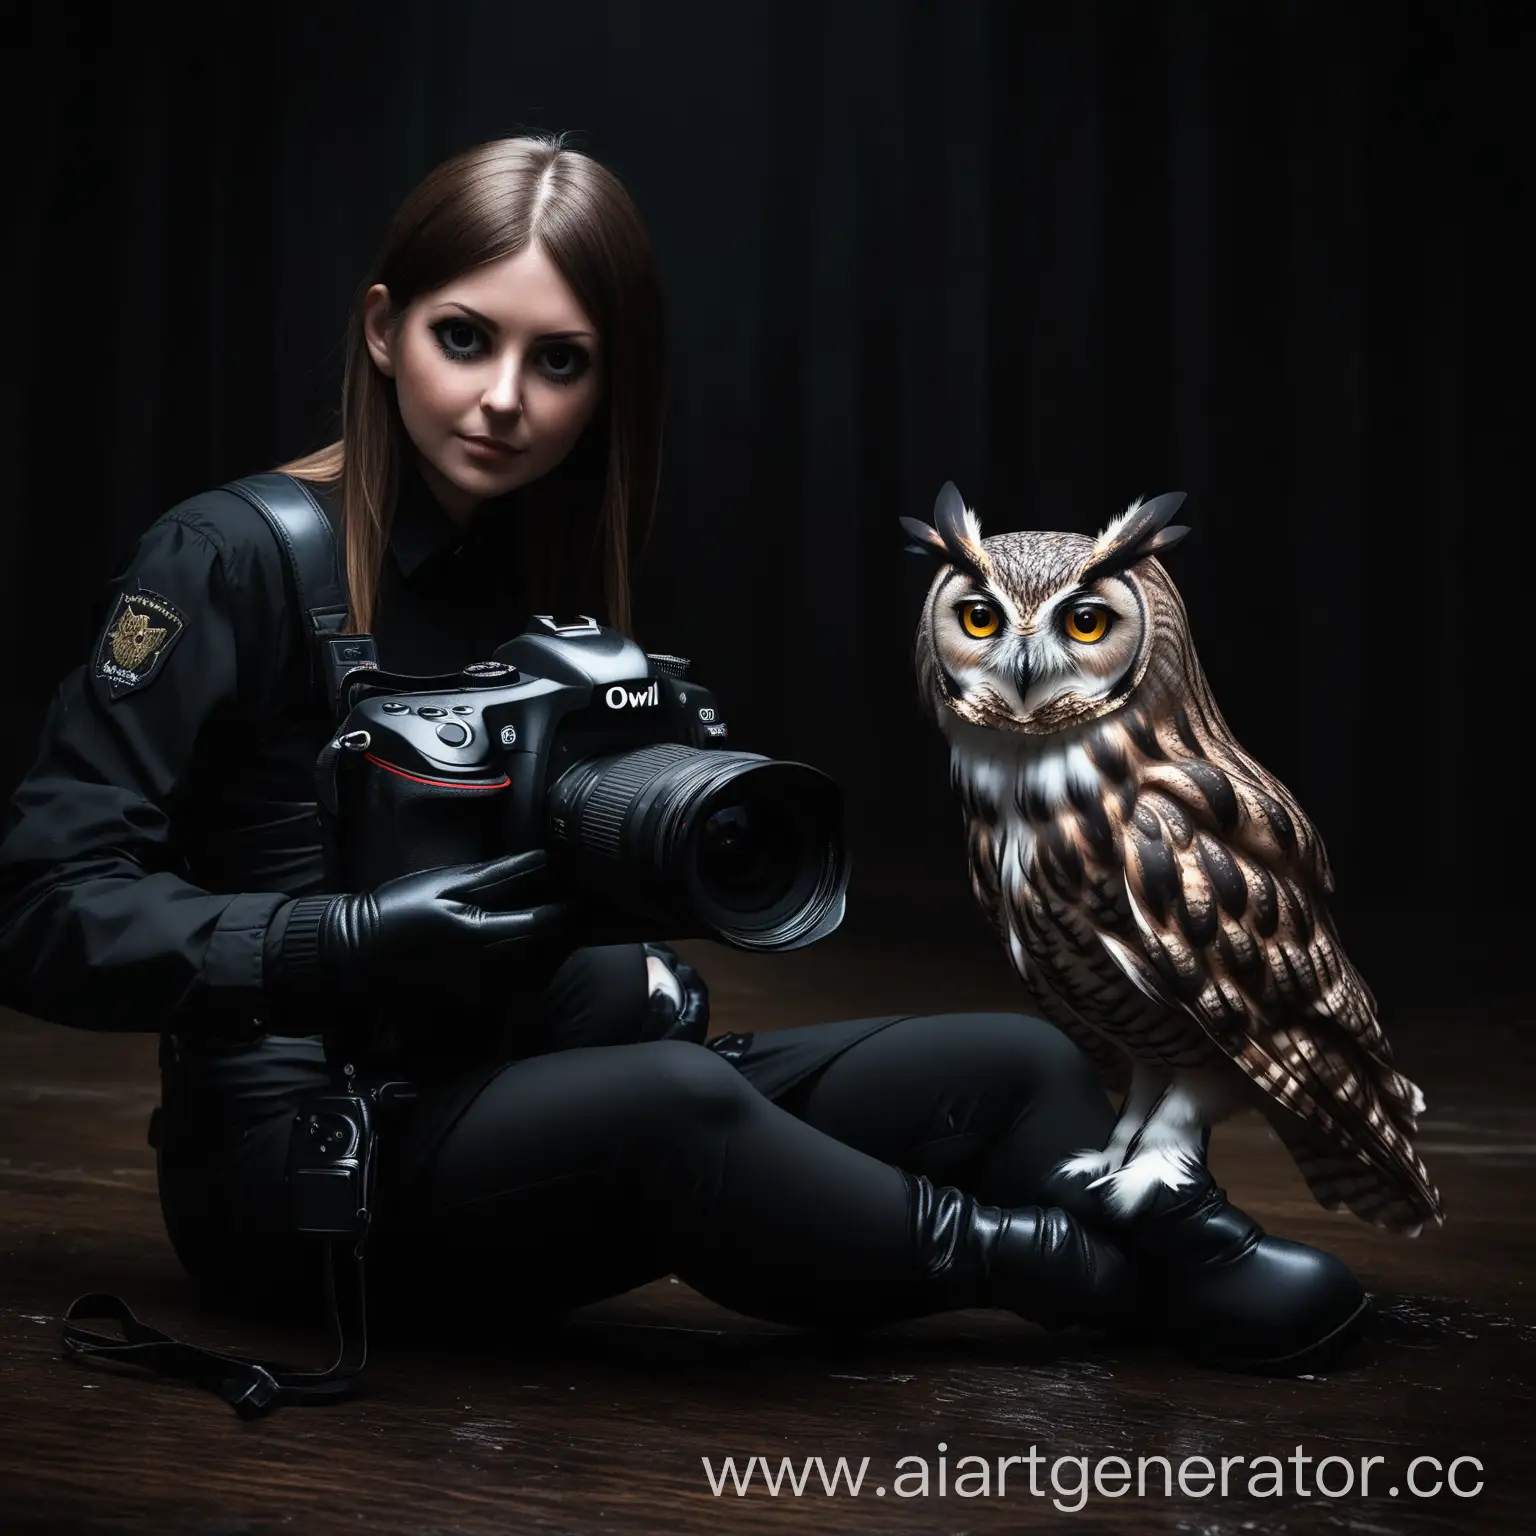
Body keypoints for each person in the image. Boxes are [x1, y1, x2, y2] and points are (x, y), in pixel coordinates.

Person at [0, 135, 1366, 1374]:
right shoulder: (228, 556)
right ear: (381, 331)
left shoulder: (535, 562)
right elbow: (43, 908)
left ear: (611, 382)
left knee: (1015, 1068)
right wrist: (340, 937)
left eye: (560, 360)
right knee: (668, 1105)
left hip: (522, 1089)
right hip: (304, 1165)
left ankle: (1170, 1228)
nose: (501, 402)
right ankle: (1094, 1278)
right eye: (462, 339)